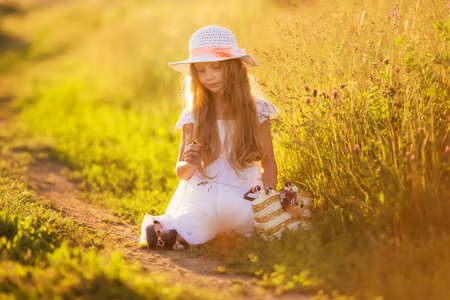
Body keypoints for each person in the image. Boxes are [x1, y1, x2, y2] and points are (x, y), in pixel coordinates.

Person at [139, 25, 278, 250]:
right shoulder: (194, 114)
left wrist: (270, 196)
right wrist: (190, 163)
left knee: (240, 214)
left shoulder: (257, 110)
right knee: (206, 207)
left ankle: (176, 235)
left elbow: (268, 160)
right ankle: (173, 233)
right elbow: (181, 172)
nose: (209, 76)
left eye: (216, 67)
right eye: (201, 71)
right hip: (203, 188)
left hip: (244, 190)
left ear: (234, 68)